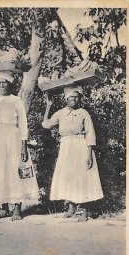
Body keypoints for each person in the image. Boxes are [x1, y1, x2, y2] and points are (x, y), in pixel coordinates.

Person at [0, 71, 38, 220]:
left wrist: (24, 146)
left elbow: (23, 125)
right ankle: (4, 207)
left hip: (13, 138)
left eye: (4, 82)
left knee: (14, 170)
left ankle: (17, 208)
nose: (2, 85)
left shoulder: (16, 101)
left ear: (9, 84)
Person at [42, 87, 103, 221]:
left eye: (76, 97)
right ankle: (71, 208)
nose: (74, 99)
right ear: (66, 99)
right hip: (66, 147)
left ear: (80, 99)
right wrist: (48, 106)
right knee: (68, 176)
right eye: (71, 97)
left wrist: (89, 154)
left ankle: (85, 211)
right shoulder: (61, 113)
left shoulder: (83, 113)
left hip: (80, 146)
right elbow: (46, 124)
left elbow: (90, 134)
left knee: (82, 177)